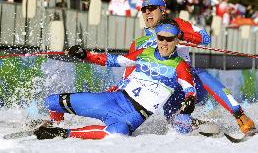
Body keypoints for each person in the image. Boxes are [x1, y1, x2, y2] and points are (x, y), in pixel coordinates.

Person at [108, 0, 255, 135]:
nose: (147, 12)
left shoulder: (178, 24)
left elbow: (205, 38)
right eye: (144, 10)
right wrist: (118, 87)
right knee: (177, 126)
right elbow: (129, 72)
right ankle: (200, 125)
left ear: (162, 10)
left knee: (200, 74)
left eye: (151, 8)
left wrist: (182, 35)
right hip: (167, 91)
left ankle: (239, 115)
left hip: (190, 83)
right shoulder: (138, 43)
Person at [34, 20, 196, 140]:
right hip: (114, 100)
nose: (165, 43)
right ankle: (55, 124)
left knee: (119, 132)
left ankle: (63, 133)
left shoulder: (180, 65)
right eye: (161, 38)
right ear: (157, 37)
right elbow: (114, 60)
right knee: (52, 102)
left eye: (170, 39)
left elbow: (190, 90)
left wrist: (189, 102)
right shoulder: (144, 52)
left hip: (133, 114)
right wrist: (86, 55)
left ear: (177, 40)